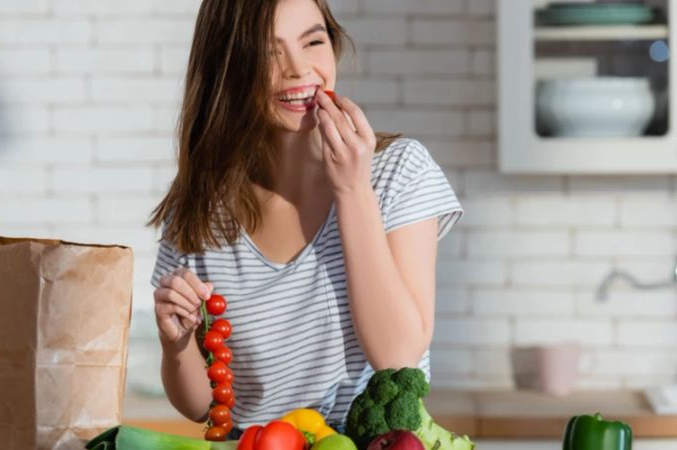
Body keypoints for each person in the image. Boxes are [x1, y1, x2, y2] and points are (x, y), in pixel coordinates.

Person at [147, 0, 463, 439]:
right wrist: (175, 342)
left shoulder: (398, 172)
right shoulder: (199, 212)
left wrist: (352, 191)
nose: (299, 69)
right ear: (228, 69)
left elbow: (398, 356)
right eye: (269, 52)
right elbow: (201, 406)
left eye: (312, 41)